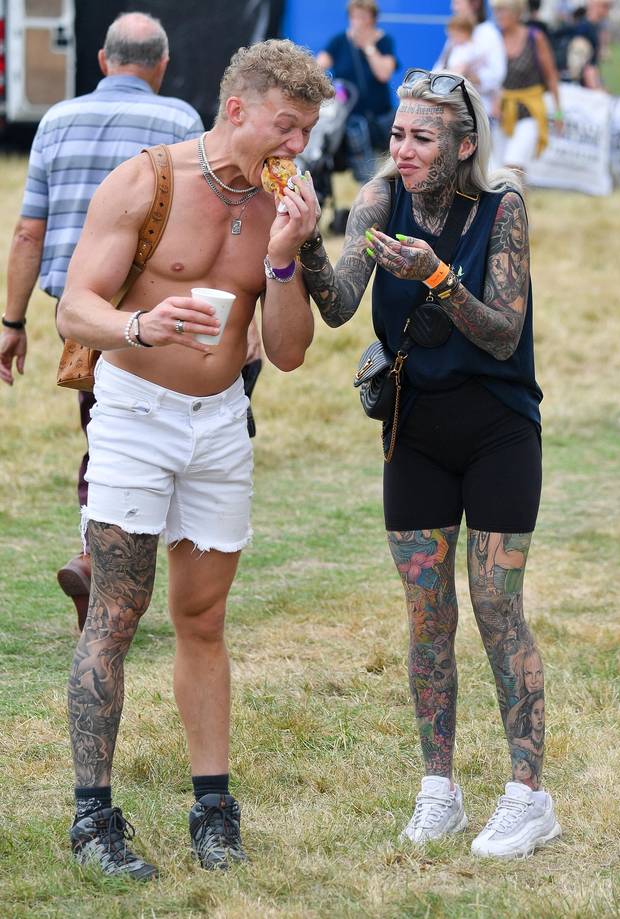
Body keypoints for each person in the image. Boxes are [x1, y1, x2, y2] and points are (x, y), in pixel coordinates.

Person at [55, 38, 333, 878]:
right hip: (136, 412)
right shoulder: (149, 180)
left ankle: (213, 806)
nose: (298, 149)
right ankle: (93, 816)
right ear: (237, 108)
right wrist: (141, 325)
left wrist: (286, 256)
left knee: (203, 620)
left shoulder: (286, 205)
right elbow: (75, 308)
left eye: (310, 134)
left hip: (221, 420)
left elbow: (286, 353)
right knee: (116, 611)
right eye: (287, 128)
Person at [299, 67, 561, 859]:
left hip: (498, 433)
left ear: (463, 144)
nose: (402, 150)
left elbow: (503, 333)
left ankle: (527, 794)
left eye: (421, 138)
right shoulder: (380, 198)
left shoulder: (502, 206)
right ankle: (438, 789)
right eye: (398, 136)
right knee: (425, 618)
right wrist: (307, 239)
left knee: (495, 607)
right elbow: (341, 304)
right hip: (415, 431)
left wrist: (438, 277)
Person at [0, 12, 204, 631]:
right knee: (162, 446)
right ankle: (116, 567)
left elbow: (29, 230)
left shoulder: (55, 121)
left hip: (82, 320)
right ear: (161, 65)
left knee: (104, 436)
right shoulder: (180, 122)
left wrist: (11, 320)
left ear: (101, 60)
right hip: (163, 318)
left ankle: (100, 558)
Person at [317, 0, 398, 188]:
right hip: (350, 119)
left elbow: (384, 73)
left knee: (382, 167)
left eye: (363, 17)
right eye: (354, 17)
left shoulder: (384, 41)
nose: (358, 22)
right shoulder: (339, 41)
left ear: (373, 19)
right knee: (361, 172)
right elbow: (318, 66)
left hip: (379, 118)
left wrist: (369, 47)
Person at [491, 0, 562, 176]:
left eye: (503, 11)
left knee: (513, 168)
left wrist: (559, 112)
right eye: (497, 11)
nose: (499, 15)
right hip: (502, 113)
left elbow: (551, 75)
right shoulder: (494, 38)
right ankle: (516, 204)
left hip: (529, 110)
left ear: (516, 13)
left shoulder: (534, 37)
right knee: (500, 174)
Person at [436, 0, 507, 120]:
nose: (453, 7)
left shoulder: (489, 34)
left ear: (475, 4)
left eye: (457, 3)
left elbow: (497, 76)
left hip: (478, 112)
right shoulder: (456, 34)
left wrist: (468, 75)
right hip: (453, 109)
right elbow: (440, 67)